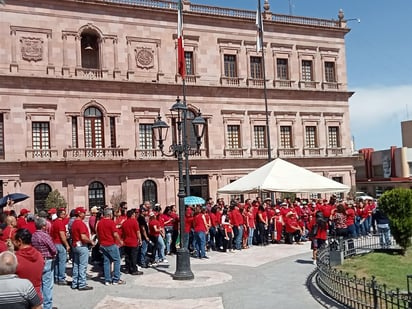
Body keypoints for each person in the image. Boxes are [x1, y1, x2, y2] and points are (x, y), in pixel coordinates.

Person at [31, 217, 57, 309]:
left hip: (38, 260)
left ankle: (40, 304)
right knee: (47, 284)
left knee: (40, 283)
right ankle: (48, 306)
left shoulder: (33, 235)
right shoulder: (45, 236)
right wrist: (54, 253)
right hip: (47, 260)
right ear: (43, 226)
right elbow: (53, 249)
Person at [13, 228, 45, 302]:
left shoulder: (15, 258)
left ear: (19, 241)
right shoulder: (39, 255)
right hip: (36, 296)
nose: (12, 243)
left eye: (13, 241)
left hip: (21, 297)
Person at [96, 208, 125, 285]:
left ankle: (107, 279)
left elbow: (98, 234)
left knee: (106, 261)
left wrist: (100, 242)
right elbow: (115, 234)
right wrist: (120, 241)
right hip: (111, 244)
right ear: (109, 214)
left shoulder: (99, 223)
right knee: (117, 260)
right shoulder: (111, 223)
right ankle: (116, 279)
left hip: (103, 244)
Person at [70, 206, 94, 291]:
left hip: (75, 245)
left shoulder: (74, 223)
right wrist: (90, 241)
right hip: (82, 246)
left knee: (76, 265)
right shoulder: (81, 223)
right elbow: (83, 237)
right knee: (82, 265)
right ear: (80, 214)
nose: (85, 214)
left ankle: (75, 283)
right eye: (83, 212)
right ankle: (82, 284)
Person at [51, 208, 70, 285]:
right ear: (61, 214)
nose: (65, 215)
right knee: (62, 262)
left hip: (55, 243)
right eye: (64, 213)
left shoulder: (54, 222)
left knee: (56, 262)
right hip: (60, 244)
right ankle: (61, 278)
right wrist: (67, 245)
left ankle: (56, 277)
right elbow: (62, 235)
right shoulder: (60, 223)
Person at [121, 209, 143, 275]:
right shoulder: (135, 222)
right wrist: (140, 239)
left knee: (127, 256)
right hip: (133, 241)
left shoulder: (124, 223)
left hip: (126, 241)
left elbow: (123, 233)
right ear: (132, 215)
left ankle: (127, 269)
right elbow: (138, 232)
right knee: (133, 256)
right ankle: (134, 270)